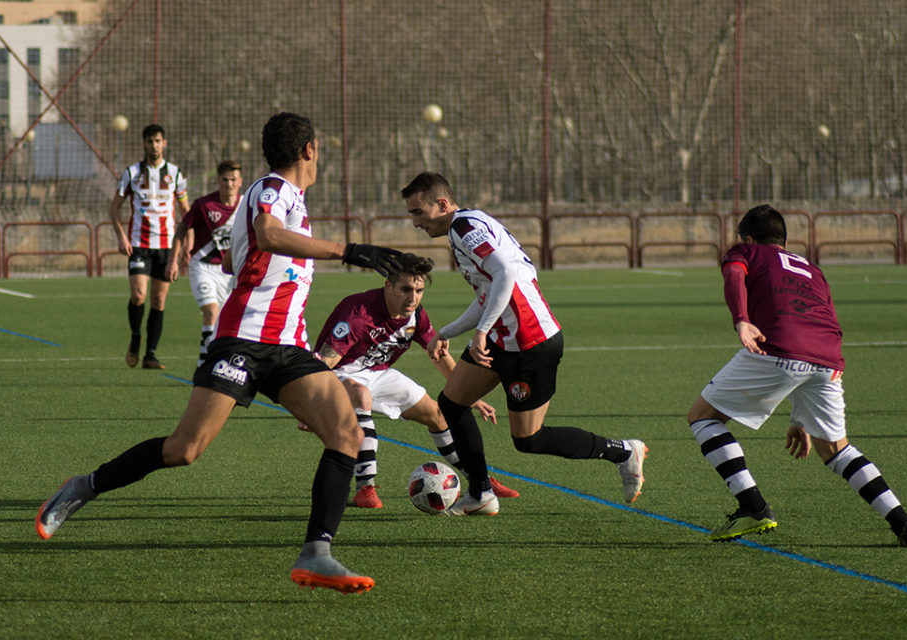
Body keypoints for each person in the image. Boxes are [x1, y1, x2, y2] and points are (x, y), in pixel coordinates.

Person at [36, 112, 404, 594]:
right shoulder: (272, 186)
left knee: (346, 433)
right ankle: (83, 487)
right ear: (310, 149)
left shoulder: (287, 197)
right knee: (184, 450)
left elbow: (252, 254)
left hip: (288, 347)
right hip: (245, 340)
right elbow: (269, 233)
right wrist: (348, 250)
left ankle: (317, 553)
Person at [402, 171, 647, 516]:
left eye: (418, 213)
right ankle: (481, 492)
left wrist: (481, 331)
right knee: (452, 403)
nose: (415, 223)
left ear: (442, 204)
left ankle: (622, 451)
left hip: (531, 342)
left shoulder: (463, 228)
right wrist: (449, 330)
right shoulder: (471, 223)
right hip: (504, 339)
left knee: (529, 439)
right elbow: (490, 290)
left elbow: (508, 274)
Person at [687, 204, 907, 547]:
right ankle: (905, 525)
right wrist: (802, 415)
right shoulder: (813, 269)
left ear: (750, 239)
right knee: (837, 451)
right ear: (783, 239)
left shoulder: (746, 252)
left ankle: (752, 507)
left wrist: (741, 318)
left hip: (778, 348)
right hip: (828, 359)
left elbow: (734, 275)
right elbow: (821, 320)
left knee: (703, 417)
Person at [306, 252, 520, 509]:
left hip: (378, 373)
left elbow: (438, 356)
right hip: (340, 374)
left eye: (419, 290)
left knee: (437, 414)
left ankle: (480, 480)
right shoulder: (359, 313)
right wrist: (309, 404)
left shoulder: (415, 315)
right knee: (361, 395)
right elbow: (325, 361)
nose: (413, 297)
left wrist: (471, 397)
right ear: (388, 286)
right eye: (406, 289)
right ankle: (365, 488)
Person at [109, 123, 190, 370]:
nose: (153, 146)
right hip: (139, 245)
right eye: (149, 141)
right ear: (143, 144)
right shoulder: (132, 173)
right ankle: (135, 338)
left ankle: (150, 355)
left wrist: (186, 246)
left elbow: (187, 213)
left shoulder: (175, 174)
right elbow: (114, 208)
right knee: (138, 295)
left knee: (158, 300)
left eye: (157, 141)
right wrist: (121, 237)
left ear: (164, 143)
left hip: (166, 247)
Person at [167, 160, 244, 368]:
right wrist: (173, 261)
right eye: (225, 179)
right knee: (211, 311)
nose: (229, 184)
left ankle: (223, 362)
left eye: (233, 180)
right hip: (203, 267)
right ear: (218, 180)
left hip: (231, 273)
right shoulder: (204, 205)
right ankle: (203, 365)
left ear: (240, 182)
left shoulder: (246, 206)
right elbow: (181, 230)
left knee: (228, 322)